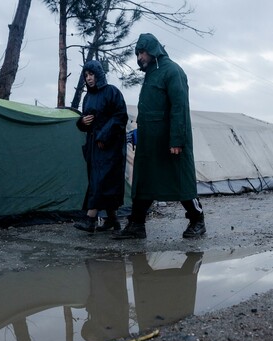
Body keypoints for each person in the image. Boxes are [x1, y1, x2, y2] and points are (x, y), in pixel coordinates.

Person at [113, 33, 206, 240]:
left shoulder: (173, 71)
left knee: (180, 181)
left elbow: (179, 107)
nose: (139, 57)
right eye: (137, 53)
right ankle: (136, 224)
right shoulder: (151, 74)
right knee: (143, 181)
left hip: (169, 141)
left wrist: (177, 140)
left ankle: (197, 220)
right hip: (149, 142)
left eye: (142, 52)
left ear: (153, 49)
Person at [73, 60, 128, 233]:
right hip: (93, 146)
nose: (89, 78)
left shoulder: (112, 92)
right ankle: (112, 220)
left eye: (91, 74)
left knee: (101, 180)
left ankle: (90, 219)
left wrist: (104, 135)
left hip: (110, 145)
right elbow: (86, 121)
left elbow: (120, 116)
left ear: (99, 74)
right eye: (86, 75)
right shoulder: (87, 97)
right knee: (100, 181)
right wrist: (82, 122)